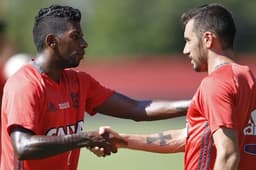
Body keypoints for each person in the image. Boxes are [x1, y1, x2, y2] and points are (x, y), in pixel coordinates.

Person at [0, 4, 191, 170]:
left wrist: (194, 104)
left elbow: (137, 109)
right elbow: (23, 147)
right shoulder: (25, 85)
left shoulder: (79, 82)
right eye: (75, 37)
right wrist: (83, 138)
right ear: (52, 42)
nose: (84, 43)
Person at [99, 3, 256, 170]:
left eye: (189, 41)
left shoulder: (215, 84)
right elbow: (190, 136)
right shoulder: (246, 78)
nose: (185, 50)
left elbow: (228, 155)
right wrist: (123, 140)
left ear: (208, 39)